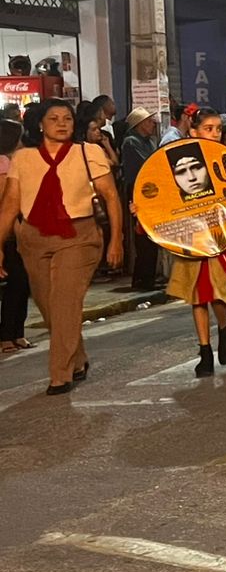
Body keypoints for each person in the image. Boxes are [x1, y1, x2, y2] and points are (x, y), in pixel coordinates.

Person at [0, 98, 124, 394]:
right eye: (53, 118)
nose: (61, 124)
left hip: (78, 236)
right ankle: (77, 358)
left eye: (67, 118)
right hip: (33, 237)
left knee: (65, 301)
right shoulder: (24, 158)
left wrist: (116, 239)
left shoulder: (88, 152)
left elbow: (110, 197)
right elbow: (11, 205)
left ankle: (60, 373)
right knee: (48, 306)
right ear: (40, 124)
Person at [152, 109, 226, 376]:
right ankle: (204, 350)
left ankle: (224, 327)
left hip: (217, 235)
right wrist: (142, 208)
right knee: (197, 296)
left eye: (218, 129)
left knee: (216, 292)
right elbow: (162, 194)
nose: (214, 133)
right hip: (190, 236)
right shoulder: (176, 160)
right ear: (193, 131)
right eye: (208, 128)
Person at [118, 106, 162, 291]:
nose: (153, 124)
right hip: (137, 190)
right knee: (142, 235)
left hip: (151, 190)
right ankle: (141, 279)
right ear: (140, 124)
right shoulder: (131, 142)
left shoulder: (150, 141)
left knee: (152, 235)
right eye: (149, 121)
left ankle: (148, 277)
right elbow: (148, 164)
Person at [0, 118, 32, 353]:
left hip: (18, 229)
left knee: (22, 283)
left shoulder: (13, 162)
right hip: (9, 232)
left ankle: (18, 333)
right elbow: (7, 202)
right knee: (16, 283)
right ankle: (6, 336)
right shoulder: (3, 163)